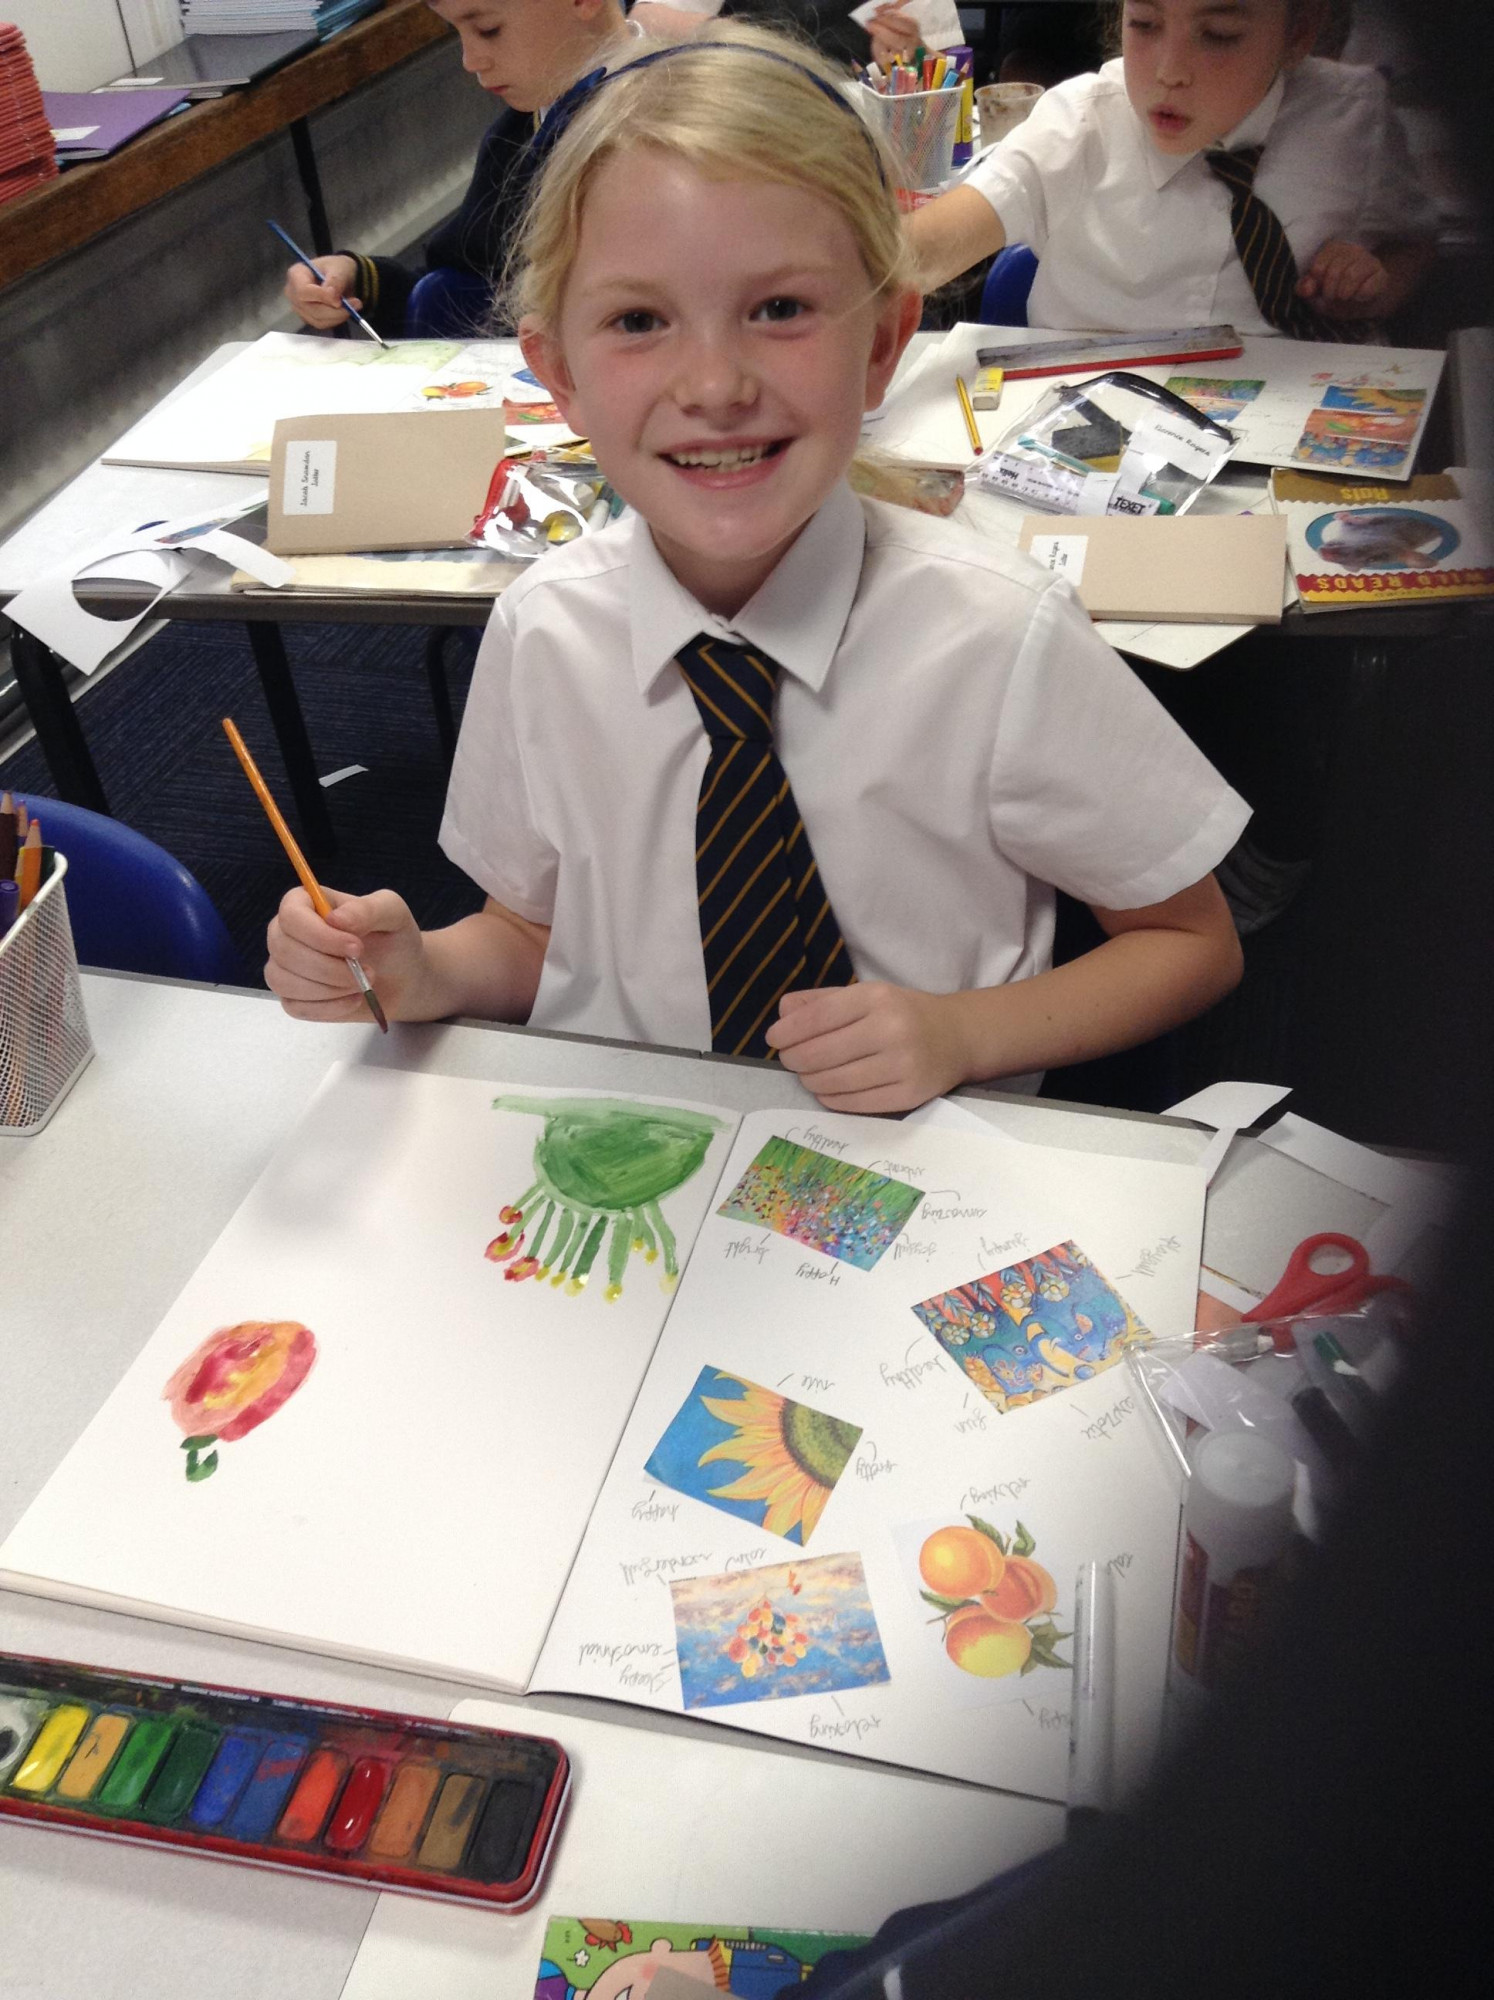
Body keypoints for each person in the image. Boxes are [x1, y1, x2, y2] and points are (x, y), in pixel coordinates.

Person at [264, 21, 1247, 1115]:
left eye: (779, 310)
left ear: (882, 345)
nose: (715, 385)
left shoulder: (997, 635)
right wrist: (424, 970)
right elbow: (535, 933)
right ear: (560, 375)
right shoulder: (544, 631)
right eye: (639, 320)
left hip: (919, 1171)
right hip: (631, 1157)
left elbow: (1190, 940)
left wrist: (964, 1032)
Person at [906, 0, 1435, 334]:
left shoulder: (1353, 119)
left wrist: (1373, 285)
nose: (1169, 71)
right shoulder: (1080, 123)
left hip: (1294, 423)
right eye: (1144, 23)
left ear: (1298, 33)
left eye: (1219, 33)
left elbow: (1413, 242)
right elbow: (922, 250)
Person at [284, 0, 633, 338]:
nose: (470, 60)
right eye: (455, 30)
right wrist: (358, 280)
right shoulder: (514, 138)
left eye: (488, 29)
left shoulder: (645, 144)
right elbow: (459, 290)